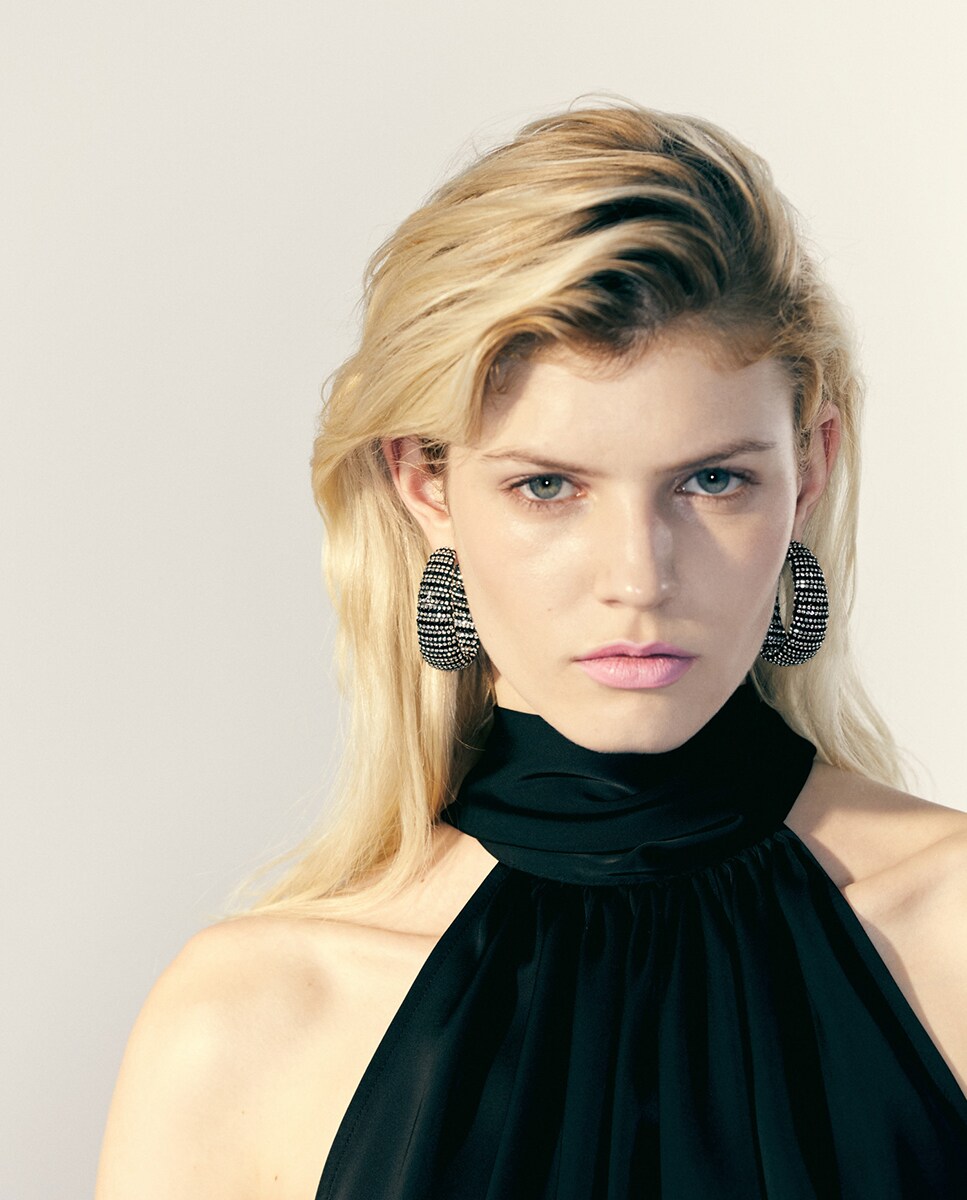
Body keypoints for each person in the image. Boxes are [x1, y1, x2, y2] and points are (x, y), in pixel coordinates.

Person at [95, 100, 967, 1199]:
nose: (638, 578)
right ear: (424, 483)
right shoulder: (249, 1023)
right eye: (547, 486)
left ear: (811, 469)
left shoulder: (952, 927)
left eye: (712, 480)